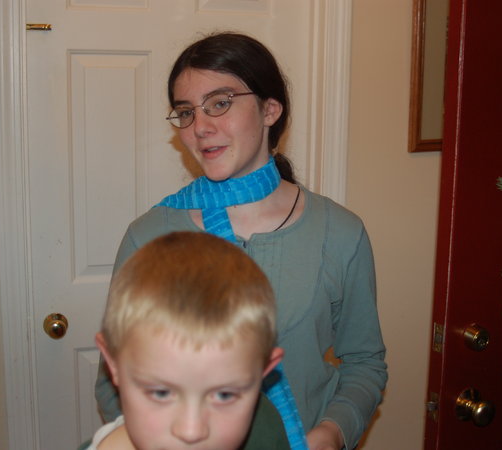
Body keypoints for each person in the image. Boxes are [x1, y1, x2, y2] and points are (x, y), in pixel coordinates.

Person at [96, 31, 388, 449]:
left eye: (220, 103)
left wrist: (331, 433)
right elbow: (113, 383)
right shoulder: (148, 237)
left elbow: (364, 362)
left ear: (270, 109)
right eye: (186, 112)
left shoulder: (340, 232)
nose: (200, 128)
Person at [87, 231, 290, 449]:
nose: (191, 431)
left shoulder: (267, 429)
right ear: (113, 364)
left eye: (224, 395)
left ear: (264, 370)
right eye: (161, 393)